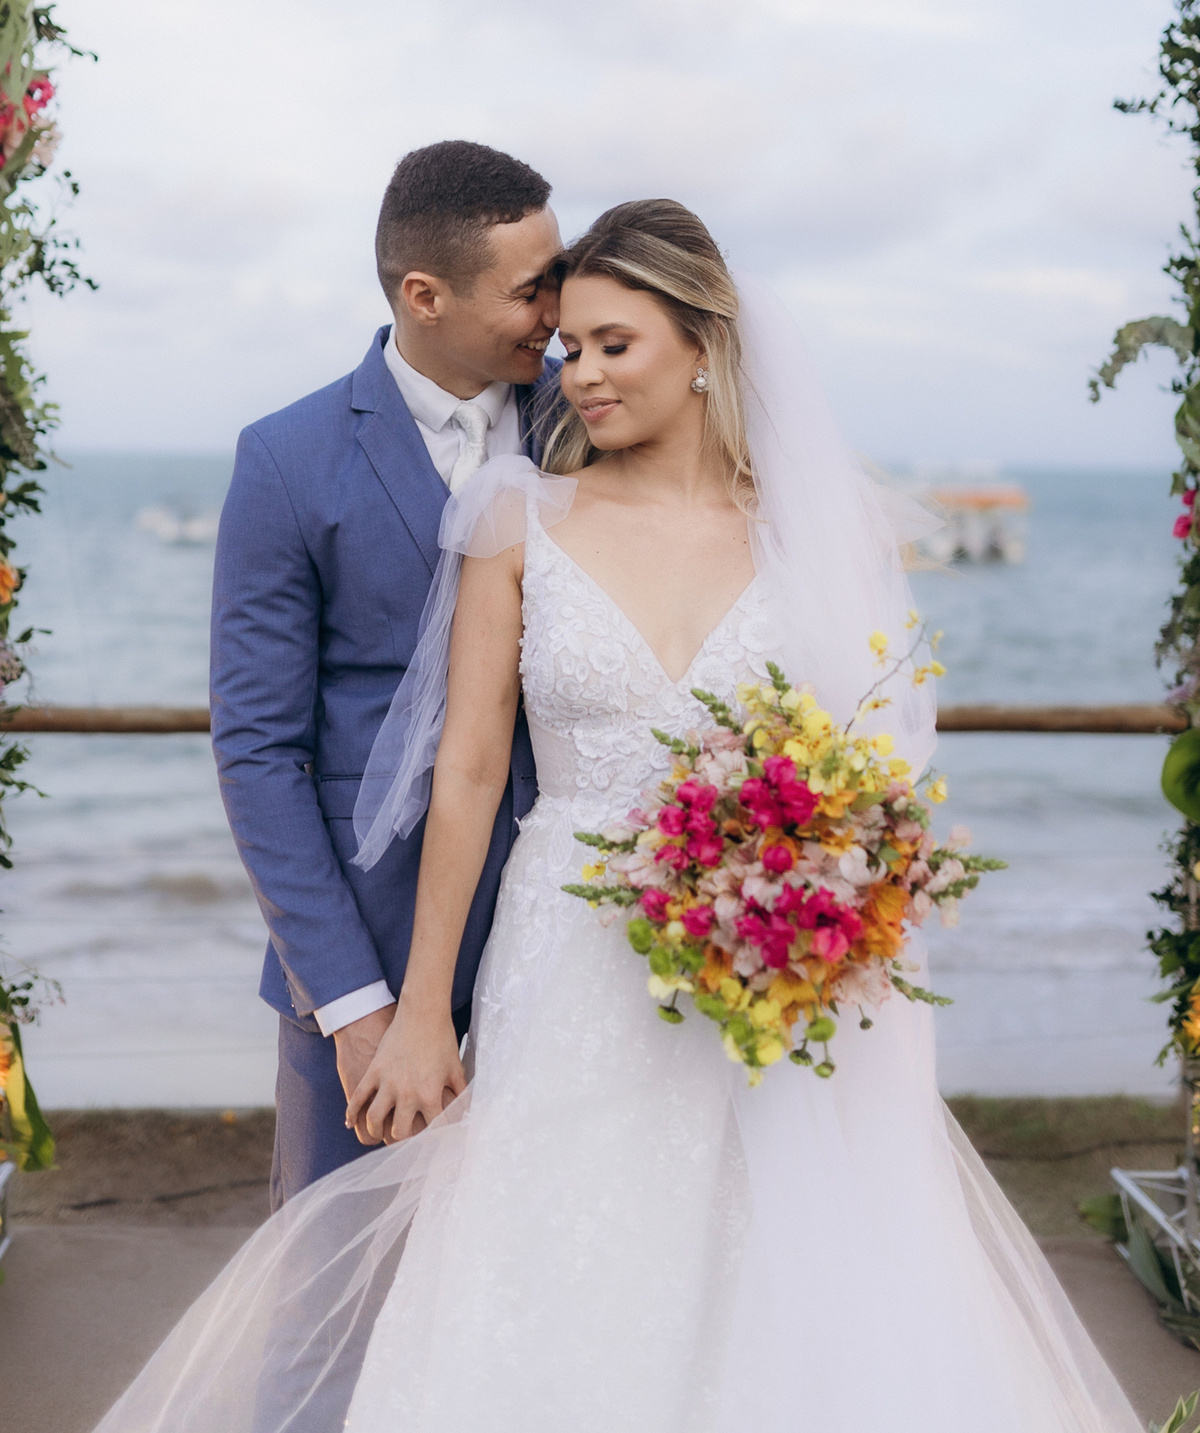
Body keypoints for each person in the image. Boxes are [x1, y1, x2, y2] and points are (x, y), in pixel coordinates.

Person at [97, 203, 1142, 1433]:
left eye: (611, 345)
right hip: (565, 962)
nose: (578, 375)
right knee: (545, 1271)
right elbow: (470, 773)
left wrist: (822, 908)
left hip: (762, 974)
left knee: (770, 1287)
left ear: (702, 342)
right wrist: (424, 1003)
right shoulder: (516, 516)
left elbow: (874, 767)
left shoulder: (825, 530)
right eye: (569, 348)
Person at [209, 139, 562, 1202]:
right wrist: (357, 1007)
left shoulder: (592, 425)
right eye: (532, 287)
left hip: (566, 946)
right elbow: (261, 750)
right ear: (425, 294)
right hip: (360, 948)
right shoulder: (286, 457)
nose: (558, 308)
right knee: (334, 1309)